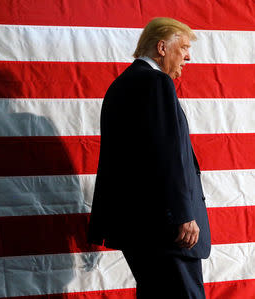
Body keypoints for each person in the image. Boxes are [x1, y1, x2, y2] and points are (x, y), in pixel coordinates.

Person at [87, 18, 211, 298]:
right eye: (185, 48)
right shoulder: (156, 83)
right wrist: (182, 214)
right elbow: (167, 156)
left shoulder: (121, 85)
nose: (188, 56)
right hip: (168, 231)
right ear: (162, 47)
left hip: (139, 230)